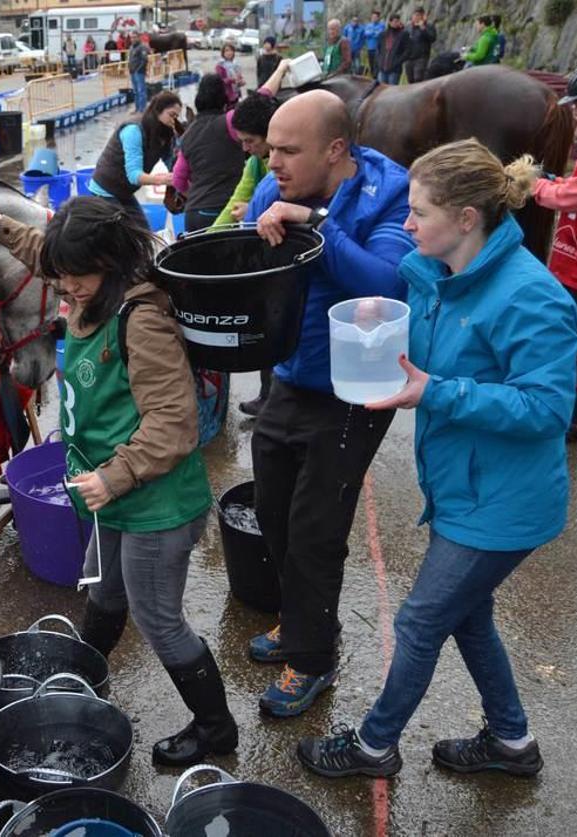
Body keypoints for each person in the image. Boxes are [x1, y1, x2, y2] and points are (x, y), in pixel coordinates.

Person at [297, 139, 577, 779]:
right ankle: (512, 743)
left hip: (503, 503)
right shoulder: (438, 277)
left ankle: (373, 746)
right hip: (463, 489)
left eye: (420, 211)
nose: (406, 223)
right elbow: (420, 354)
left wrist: (437, 391)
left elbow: (547, 409)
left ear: (467, 218)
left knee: (421, 621)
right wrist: (377, 339)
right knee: (467, 617)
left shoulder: (530, 296)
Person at [0, 188, 238, 769]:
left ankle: (216, 728)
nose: (63, 289)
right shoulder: (85, 286)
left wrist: (114, 477)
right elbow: (47, 255)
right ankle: (88, 672)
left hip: (154, 502)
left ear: (108, 265)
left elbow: (174, 424)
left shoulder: (142, 320)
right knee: (106, 591)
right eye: (60, 279)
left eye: (74, 279)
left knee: (159, 618)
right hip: (109, 493)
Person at [243, 91, 413, 717]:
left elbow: (389, 285)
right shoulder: (272, 187)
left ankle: (312, 660)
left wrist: (318, 227)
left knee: (316, 529)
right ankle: (301, 620)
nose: (273, 164)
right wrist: (254, 241)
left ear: (336, 150)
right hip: (291, 374)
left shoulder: (388, 193)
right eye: (271, 149)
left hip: (355, 391)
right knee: (273, 509)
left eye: (289, 151)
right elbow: (246, 263)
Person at [212, 59, 292, 416]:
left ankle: (279, 400)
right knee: (265, 324)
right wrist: (204, 243)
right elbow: (235, 203)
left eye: (250, 141)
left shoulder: (289, 166)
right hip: (263, 256)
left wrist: (257, 214)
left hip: (287, 257)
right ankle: (266, 396)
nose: (245, 148)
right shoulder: (255, 164)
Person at [532, 59, 577, 441]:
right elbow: (575, 183)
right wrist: (552, 178)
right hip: (575, 258)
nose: (575, 113)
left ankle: (575, 422)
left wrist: (537, 188)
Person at [172, 75, 253, 233]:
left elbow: (178, 178)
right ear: (223, 97)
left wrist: (197, 196)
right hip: (219, 210)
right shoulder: (229, 121)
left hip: (193, 213)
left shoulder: (188, 134)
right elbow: (256, 106)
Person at [88, 90, 181, 225]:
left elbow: (172, 163)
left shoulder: (166, 133)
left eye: (177, 117)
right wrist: (161, 180)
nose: (174, 121)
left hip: (125, 192)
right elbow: (134, 175)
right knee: (124, 234)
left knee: (143, 231)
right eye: (171, 115)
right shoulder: (134, 130)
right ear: (157, 111)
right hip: (105, 190)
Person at [405, 7, 437, 83]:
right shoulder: (408, 28)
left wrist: (423, 28)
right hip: (409, 58)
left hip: (421, 58)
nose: (416, 17)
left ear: (422, 16)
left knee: (418, 78)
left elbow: (432, 38)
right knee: (410, 80)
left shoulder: (429, 26)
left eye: (418, 15)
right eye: (414, 15)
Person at [377, 13, 412, 85]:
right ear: (390, 22)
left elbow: (408, 50)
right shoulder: (383, 34)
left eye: (398, 21)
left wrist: (398, 61)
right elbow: (378, 49)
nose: (396, 23)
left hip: (395, 69)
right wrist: (379, 61)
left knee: (392, 91)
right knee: (380, 90)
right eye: (395, 21)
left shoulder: (403, 34)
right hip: (382, 68)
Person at [216, 42, 245, 106]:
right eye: (227, 50)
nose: (229, 52)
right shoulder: (220, 65)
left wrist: (241, 82)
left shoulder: (236, 64)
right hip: (226, 95)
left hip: (236, 93)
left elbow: (239, 77)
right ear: (223, 53)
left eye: (231, 50)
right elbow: (220, 81)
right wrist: (232, 80)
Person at [128, 32, 151, 111]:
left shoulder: (142, 47)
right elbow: (130, 60)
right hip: (132, 72)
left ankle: (142, 109)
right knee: (135, 91)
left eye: (134, 37)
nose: (133, 39)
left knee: (141, 91)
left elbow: (145, 60)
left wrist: (138, 70)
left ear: (138, 38)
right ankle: (137, 108)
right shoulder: (131, 47)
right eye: (131, 37)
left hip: (139, 72)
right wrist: (130, 70)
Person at [364, 10, 385, 77]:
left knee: (377, 65)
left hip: (378, 49)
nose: (374, 18)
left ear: (378, 18)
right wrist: (374, 32)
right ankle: (373, 77)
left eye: (375, 17)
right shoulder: (368, 25)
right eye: (373, 17)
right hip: (370, 48)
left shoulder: (382, 25)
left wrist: (371, 33)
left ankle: (377, 78)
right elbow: (366, 34)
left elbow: (379, 34)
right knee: (371, 65)